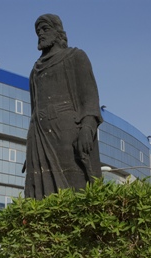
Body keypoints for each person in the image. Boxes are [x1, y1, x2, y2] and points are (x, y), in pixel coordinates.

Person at [24, 14, 103, 200]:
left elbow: (90, 98)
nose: (41, 34)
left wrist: (87, 128)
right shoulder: (35, 71)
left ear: (57, 31)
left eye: (45, 29)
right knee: (40, 195)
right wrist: (31, 149)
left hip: (68, 133)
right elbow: (34, 110)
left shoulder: (75, 57)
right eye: (38, 31)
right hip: (40, 135)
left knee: (76, 189)